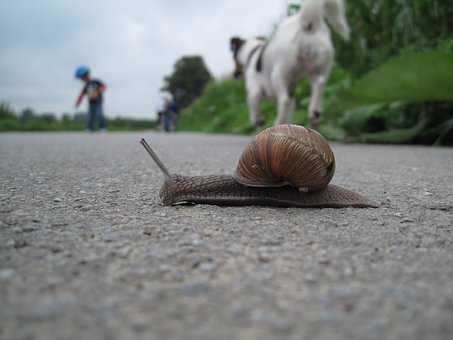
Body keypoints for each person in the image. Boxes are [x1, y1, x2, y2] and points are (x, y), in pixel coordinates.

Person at [74, 66, 107, 132]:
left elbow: (104, 86)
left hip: (98, 102)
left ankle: (102, 128)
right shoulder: (86, 86)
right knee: (90, 116)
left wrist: (98, 91)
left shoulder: (96, 81)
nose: (82, 80)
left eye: (82, 78)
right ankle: (90, 128)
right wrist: (78, 103)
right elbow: (81, 95)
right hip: (91, 103)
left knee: (99, 114)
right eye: (81, 79)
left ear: (87, 75)